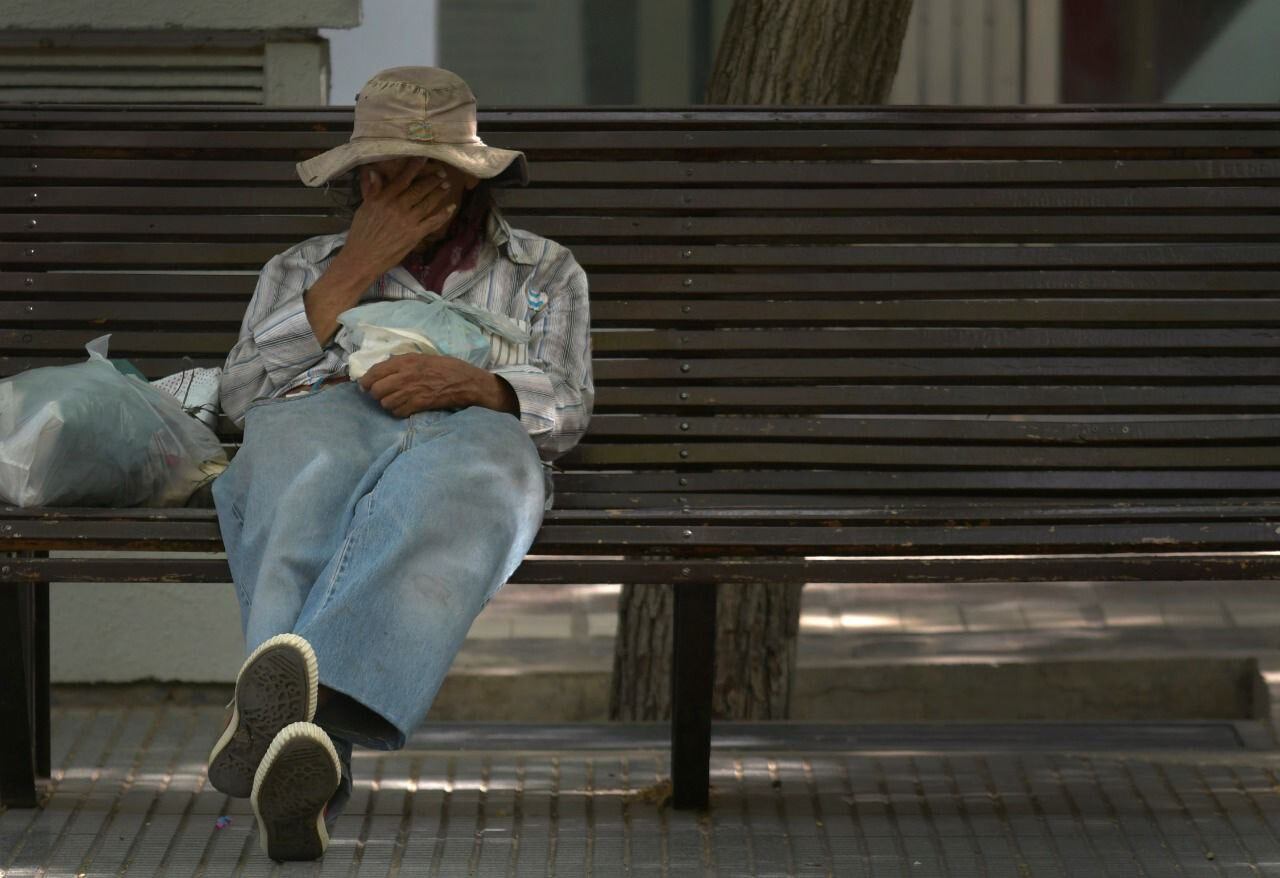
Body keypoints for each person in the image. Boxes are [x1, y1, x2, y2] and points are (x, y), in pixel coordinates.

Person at [204, 66, 593, 862]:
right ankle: (312, 745)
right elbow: (240, 400)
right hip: (329, 417)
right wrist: (352, 268)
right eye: (384, 173)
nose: (402, 188)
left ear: (471, 178)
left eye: (429, 175)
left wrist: (482, 386)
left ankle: (287, 726)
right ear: (359, 177)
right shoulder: (300, 266)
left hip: (470, 430)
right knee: (288, 460)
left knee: (474, 485)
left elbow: (568, 403)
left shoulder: (543, 271)